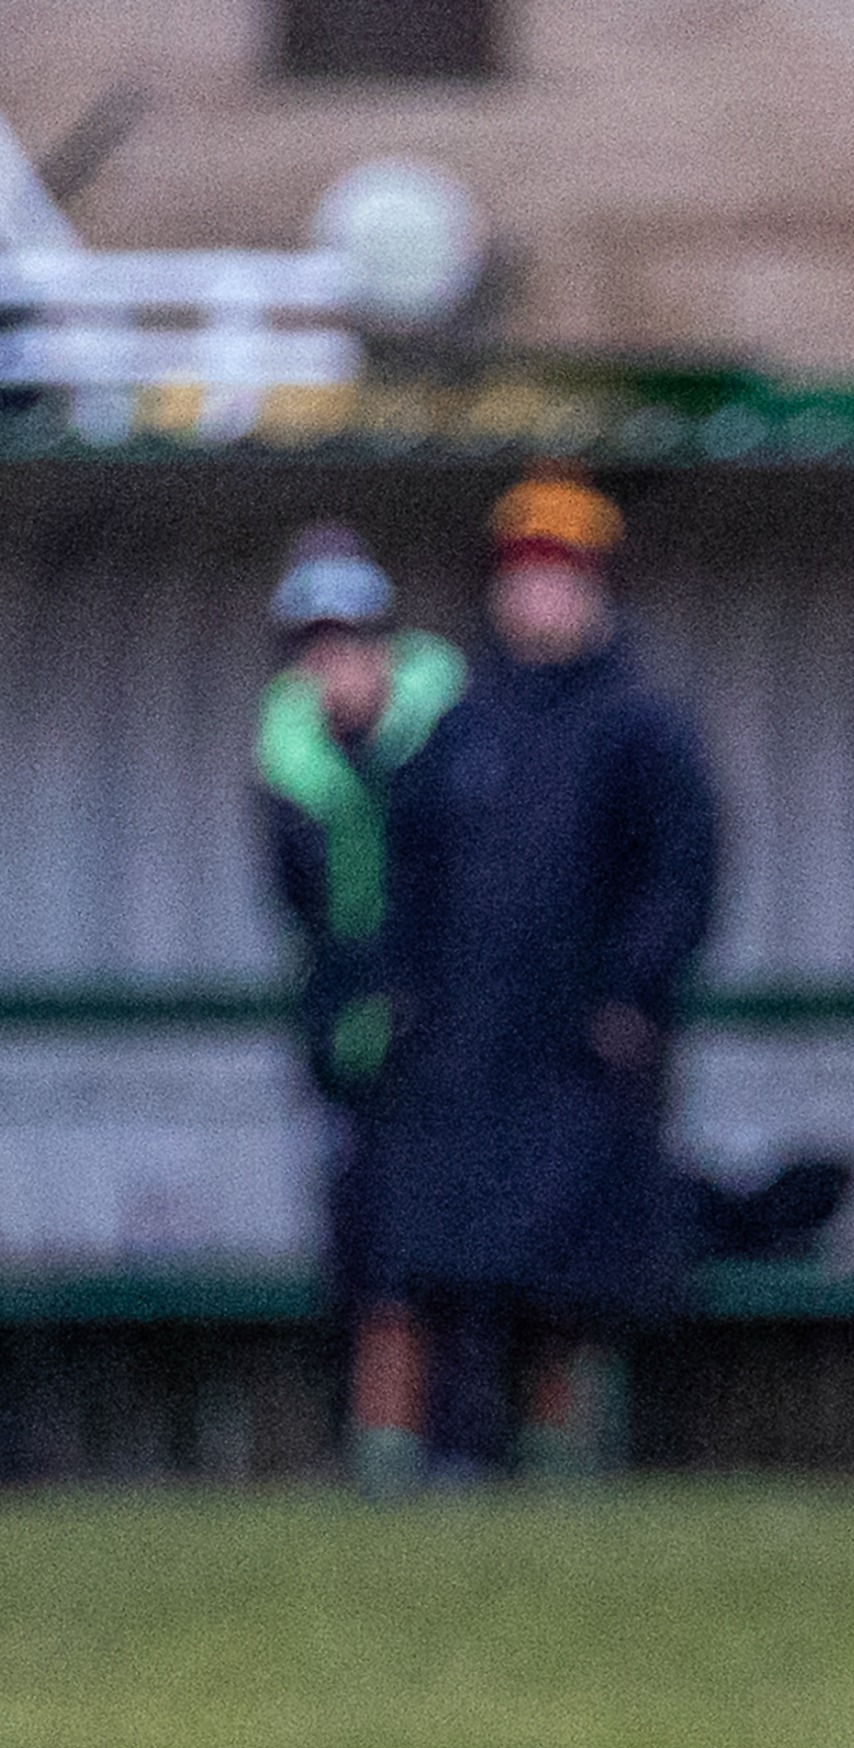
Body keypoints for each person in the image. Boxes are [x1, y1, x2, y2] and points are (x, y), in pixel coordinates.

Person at [375, 477, 722, 1483]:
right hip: (467, 1043)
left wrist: (631, 997)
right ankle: (458, 1448)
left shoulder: (642, 728)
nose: (539, 601)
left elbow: (681, 875)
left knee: (581, 1259)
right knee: (461, 1254)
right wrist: (407, 998)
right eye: (522, 580)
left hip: (585, 1042)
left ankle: (583, 1449)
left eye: (560, 581)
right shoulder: (458, 727)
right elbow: (408, 874)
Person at [251, 525, 464, 1498]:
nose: (332, 664)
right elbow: (302, 909)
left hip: (452, 1025)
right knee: (366, 1247)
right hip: (350, 1037)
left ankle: (471, 1440)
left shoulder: (448, 735)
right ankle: (384, 1445)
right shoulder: (287, 763)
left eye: (348, 640)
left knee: (450, 1236)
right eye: (313, 646)